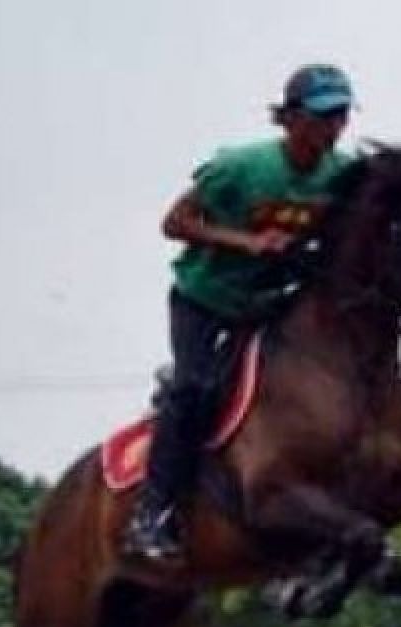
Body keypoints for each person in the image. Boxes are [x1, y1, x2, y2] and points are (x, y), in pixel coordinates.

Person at [125, 64, 357, 559]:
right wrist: (245, 242)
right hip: (207, 300)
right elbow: (174, 223)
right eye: (322, 117)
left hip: (273, 302)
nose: (332, 129)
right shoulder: (240, 168)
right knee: (195, 389)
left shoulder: (340, 175)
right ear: (290, 118)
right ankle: (153, 513)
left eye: (340, 116)